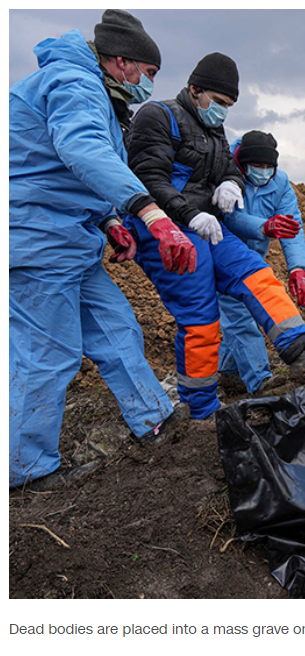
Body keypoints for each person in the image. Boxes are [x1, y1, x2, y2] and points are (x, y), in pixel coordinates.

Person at [9, 10, 195, 490]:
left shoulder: (95, 93)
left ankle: (155, 420)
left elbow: (67, 172)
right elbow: (82, 150)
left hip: (70, 238)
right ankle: (25, 469)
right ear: (122, 62)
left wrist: (111, 220)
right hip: (34, 237)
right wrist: (149, 213)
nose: (148, 84)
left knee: (117, 327)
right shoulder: (74, 82)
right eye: (148, 74)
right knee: (46, 352)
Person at [124, 53, 305, 420]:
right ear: (195, 90)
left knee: (256, 273)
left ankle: (300, 351)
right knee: (201, 319)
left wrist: (229, 182)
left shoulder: (213, 130)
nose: (223, 111)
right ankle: (202, 411)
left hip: (207, 225)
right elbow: (148, 178)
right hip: (166, 228)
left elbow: (229, 168)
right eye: (220, 102)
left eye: (229, 105)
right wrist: (189, 214)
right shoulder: (157, 116)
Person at [218, 130, 305, 394]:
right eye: (257, 166)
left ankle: (227, 372)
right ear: (242, 162)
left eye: (268, 167)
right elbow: (228, 217)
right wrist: (264, 226)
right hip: (224, 257)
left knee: (242, 313)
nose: (263, 171)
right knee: (239, 318)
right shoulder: (226, 176)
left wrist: (298, 269)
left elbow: (292, 226)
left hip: (253, 259)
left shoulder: (280, 183)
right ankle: (260, 381)